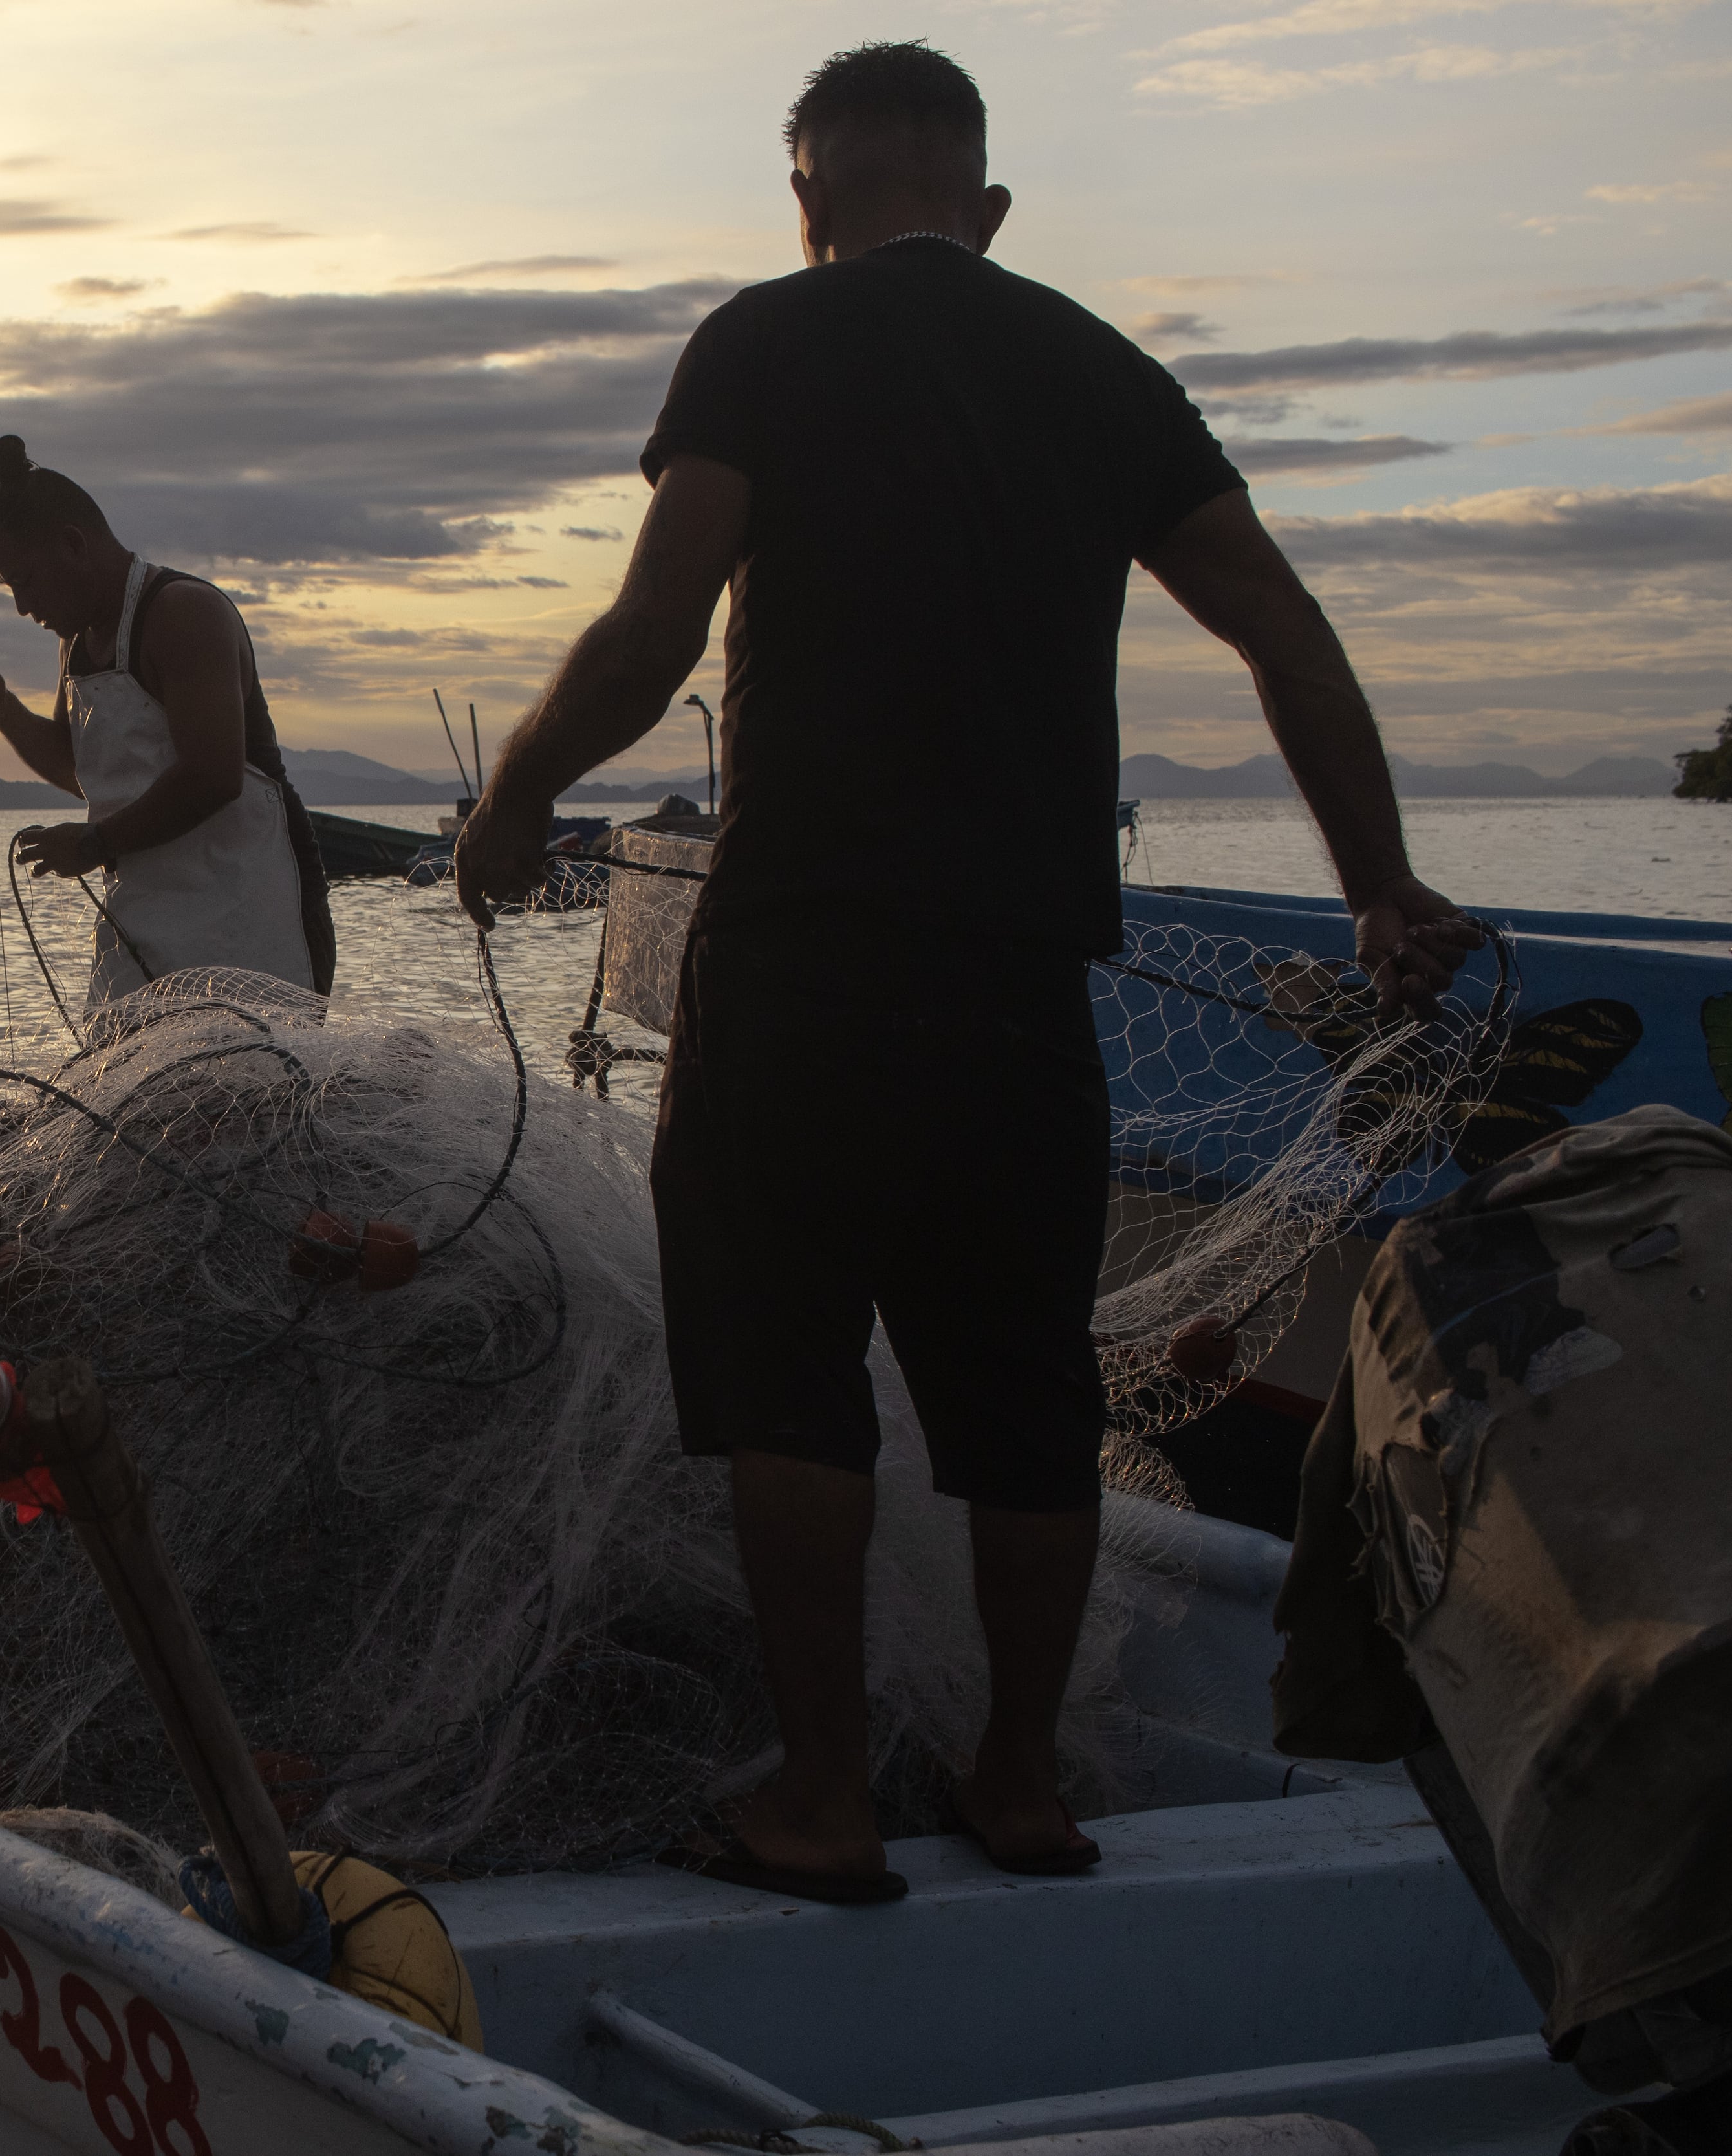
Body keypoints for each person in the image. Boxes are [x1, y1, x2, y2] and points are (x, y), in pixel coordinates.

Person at [454, 41, 1480, 1900]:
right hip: (1023, 979)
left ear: (807, 198)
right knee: (1022, 1396)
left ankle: (824, 1796)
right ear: (989, 211)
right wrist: (1383, 884)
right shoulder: (1103, 372)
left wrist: (516, 795)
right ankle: (1020, 1777)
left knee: (787, 1386)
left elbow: (654, 624)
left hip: (801, 961)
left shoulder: (763, 337)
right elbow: (1287, 636)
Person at [0, 435, 335, 1007]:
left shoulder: (184, 614)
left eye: (26, 581)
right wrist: (4, 711)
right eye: (11, 589)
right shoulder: (77, 645)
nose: (22, 608)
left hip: (251, 909)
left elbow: (213, 775)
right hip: (146, 917)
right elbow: (81, 767)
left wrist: (93, 843)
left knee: (243, 1087)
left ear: (74, 545)